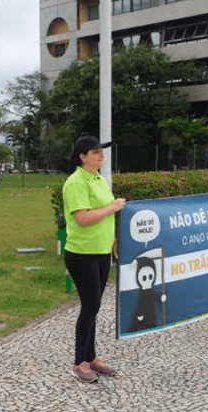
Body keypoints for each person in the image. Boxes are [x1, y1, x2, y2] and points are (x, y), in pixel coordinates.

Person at [62, 135, 126, 383]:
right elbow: (83, 218)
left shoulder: (99, 179)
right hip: (82, 254)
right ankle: (80, 362)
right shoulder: (76, 182)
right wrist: (113, 208)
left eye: (102, 152)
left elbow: (104, 215)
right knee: (90, 307)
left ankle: (91, 356)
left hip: (100, 252)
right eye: (95, 152)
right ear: (82, 156)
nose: (101, 155)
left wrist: (112, 241)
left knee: (94, 307)